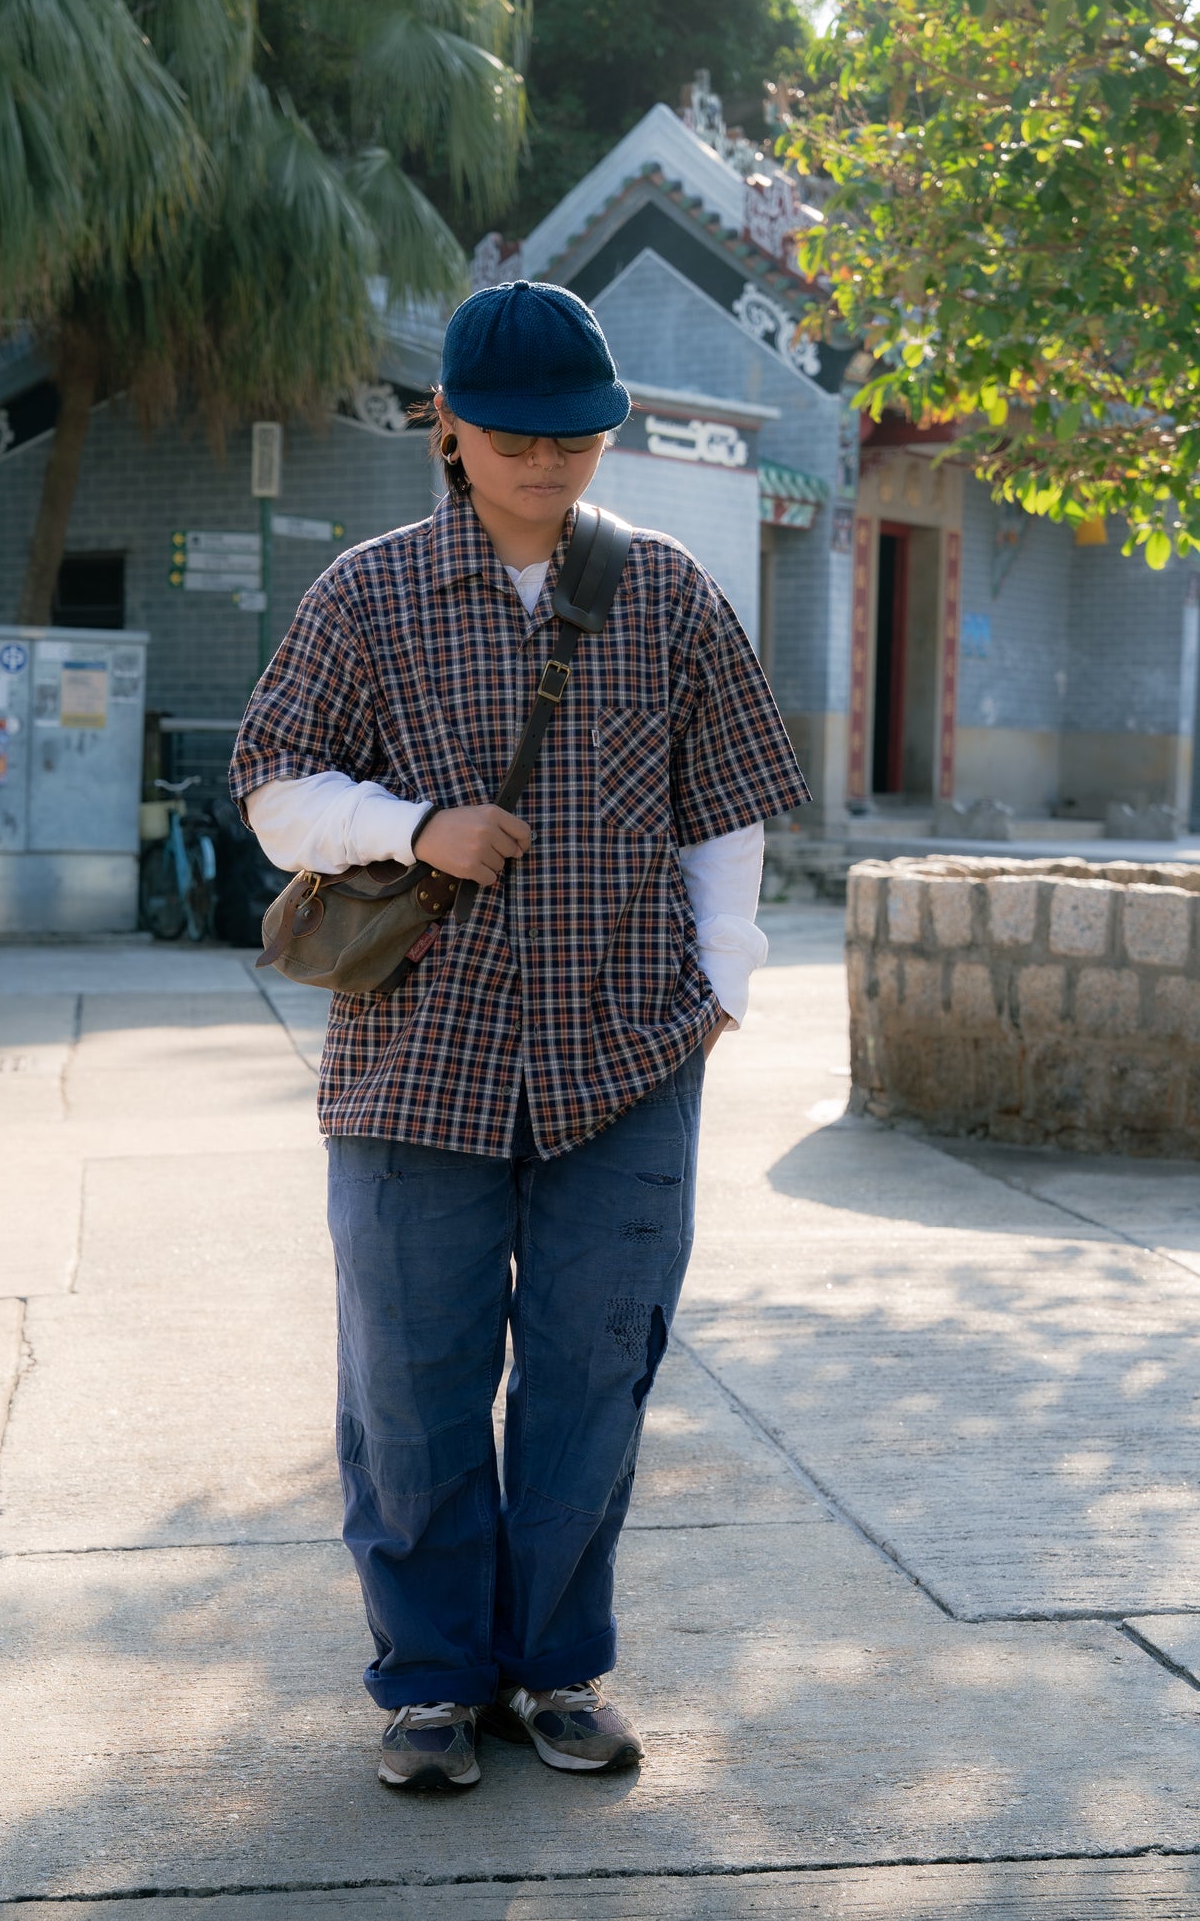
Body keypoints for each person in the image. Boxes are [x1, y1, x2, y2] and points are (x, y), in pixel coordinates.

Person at [229, 280, 808, 1791]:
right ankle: (428, 1684)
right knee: (410, 1386)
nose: (549, 465)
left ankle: (554, 1668)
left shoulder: (670, 591)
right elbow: (274, 788)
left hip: (626, 1053)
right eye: (515, 439)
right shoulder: (364, 592)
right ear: (448, 429)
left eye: (577, 438)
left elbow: (728, 799)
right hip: (414, 1056)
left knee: (591, 1372)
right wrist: (416, 822)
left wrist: (721, 987)